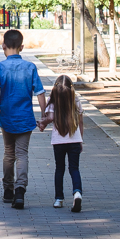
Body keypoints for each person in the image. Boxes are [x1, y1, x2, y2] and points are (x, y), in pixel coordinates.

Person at [0, 29, 46, 210]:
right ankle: (20, 188)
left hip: (7, 118)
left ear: (3, 45)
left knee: (9, 153)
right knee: (22, 154)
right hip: (26, 119)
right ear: (22, 47)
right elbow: (40, 92)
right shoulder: (30, 67)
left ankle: (8, 189)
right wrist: (44, 116)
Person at [37, 75, 84, 212]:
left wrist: (42, 122)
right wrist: (81, 139)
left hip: (58, 142)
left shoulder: (52, 101)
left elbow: (50, 117)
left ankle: (59, 198)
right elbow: (80, 121)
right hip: (74, 140)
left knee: (59, 168)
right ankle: (77, 193)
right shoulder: (75, 100)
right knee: (74, 168)